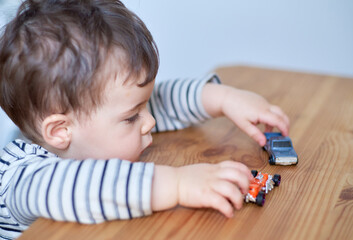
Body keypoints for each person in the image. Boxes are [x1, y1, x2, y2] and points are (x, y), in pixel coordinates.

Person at [0, 0, 289, 239]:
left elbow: (163, 100)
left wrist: (222, 98)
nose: (150, 121)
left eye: (144, 106)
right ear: (61, 130)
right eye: (131, 117)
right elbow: (83, 187)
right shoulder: (22, 179)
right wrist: (177, 184)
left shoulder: (91, 129)